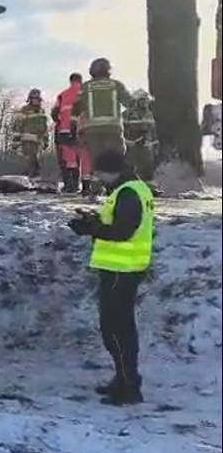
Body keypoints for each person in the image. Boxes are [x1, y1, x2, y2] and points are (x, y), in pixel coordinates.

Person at [67, 149, 154, 405]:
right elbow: (123, 224)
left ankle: (128, 386)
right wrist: (95, 220)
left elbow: (122, 231)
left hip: (121, 270)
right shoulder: (135, 189)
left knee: (115, 330)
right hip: (125, 269)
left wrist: (89, 229)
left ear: (112, 170)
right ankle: (124, 379)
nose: (100, 178)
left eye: (101, 173)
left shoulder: (128, 192)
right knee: (120, 328)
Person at [73, 57, 134, 172]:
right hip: (112, 129)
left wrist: (76, 129)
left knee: (97, 160)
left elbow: (76, 109)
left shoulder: (86, 87)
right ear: (108, 70)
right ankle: (114, 185)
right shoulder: (116, 85)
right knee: (115, 158)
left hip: (91, 130)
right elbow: (129, 103)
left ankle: (98, 185)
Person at [52, 73, 92, 194]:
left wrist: (62, 122)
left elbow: (54, 113)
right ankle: (86, 187)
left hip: (64, 131)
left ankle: (71, 185)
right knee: (85, 158)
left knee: (70, 159)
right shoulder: (87, 94)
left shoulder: (63, 95)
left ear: (70, 81)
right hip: (83, 130)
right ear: (81, 81)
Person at [12, 88, 49, 178]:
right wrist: (16, 142)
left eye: (37, 99)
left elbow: (44, 127)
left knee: (36, 162)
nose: (36, 100)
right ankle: (27, 177)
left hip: (38, 141)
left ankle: (35, 178)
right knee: (29, 160)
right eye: (34, 98)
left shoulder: (42, 111)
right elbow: (17, 126)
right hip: (27, 140)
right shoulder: (25, 110)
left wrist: (46, 141)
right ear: (30, 99)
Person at [123, 90, 158, 182]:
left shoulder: (151, 114)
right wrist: (128, 142)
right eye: (142, 100)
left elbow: (154, 131)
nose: (145, 102)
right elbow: (122, 130)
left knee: (148, 171)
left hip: (147, 147)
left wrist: (154, 143)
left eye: (146, 100)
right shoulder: (127, 114)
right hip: (132, 147)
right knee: (131, 170)